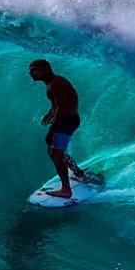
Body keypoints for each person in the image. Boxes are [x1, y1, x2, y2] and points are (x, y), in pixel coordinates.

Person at [28, 59, 94, 198]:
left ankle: (66, 190)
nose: (31, 73)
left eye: (34, 70)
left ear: (45, 69)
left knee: (56, 154)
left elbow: (62, 108)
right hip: (67, 119)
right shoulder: (53, 82)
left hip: (67, 120)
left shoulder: (55, 84)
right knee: (55, 152)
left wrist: (51, 130)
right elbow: (57, 104)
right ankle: (78, 173)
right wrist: (49, 114)